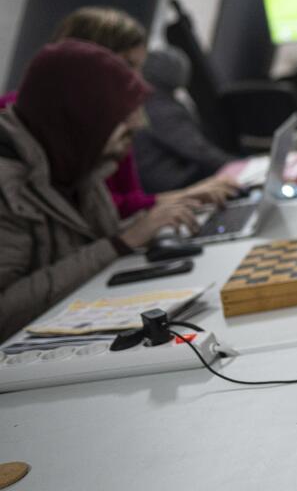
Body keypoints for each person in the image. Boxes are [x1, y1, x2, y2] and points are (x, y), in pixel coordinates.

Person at [0, 41, 200, 341]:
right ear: (79, 121)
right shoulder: (10, 184)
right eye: (120, 130)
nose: (125, 148)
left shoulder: (74, 161)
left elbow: (92, 244)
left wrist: (145, 227)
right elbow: (5, 311)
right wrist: (125, 240)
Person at [0, 7, 237, 217]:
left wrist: (186, 197)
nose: (137, 80)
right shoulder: (22, 119)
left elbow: (124, 200)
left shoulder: (112, 114)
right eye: (127, 65)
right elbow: (82, 214)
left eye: (139, 68)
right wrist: (184, 197)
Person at [132, 47, 240, 194]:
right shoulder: (163, 109)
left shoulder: (149, 101)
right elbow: (200, 152)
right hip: (175, 186)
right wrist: (242, 166)